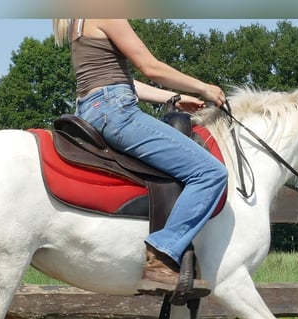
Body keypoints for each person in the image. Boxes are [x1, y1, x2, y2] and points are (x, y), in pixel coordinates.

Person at [52, 19, 229, 298]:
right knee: (211, 173)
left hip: (93, 109)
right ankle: (162, 256)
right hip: (116, 110)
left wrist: (173, 97)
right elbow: (151, 67)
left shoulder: (78, 18)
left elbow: (121, 80)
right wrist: (203, 87)